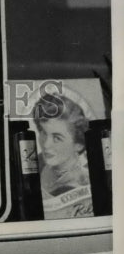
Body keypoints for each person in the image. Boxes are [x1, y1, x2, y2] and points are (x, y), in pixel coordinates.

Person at [32, 91, 94, 219]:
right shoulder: (35, 163)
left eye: (57, 138)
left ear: (78, 144)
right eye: (43, 133)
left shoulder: (87, 183)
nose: (46, 144)